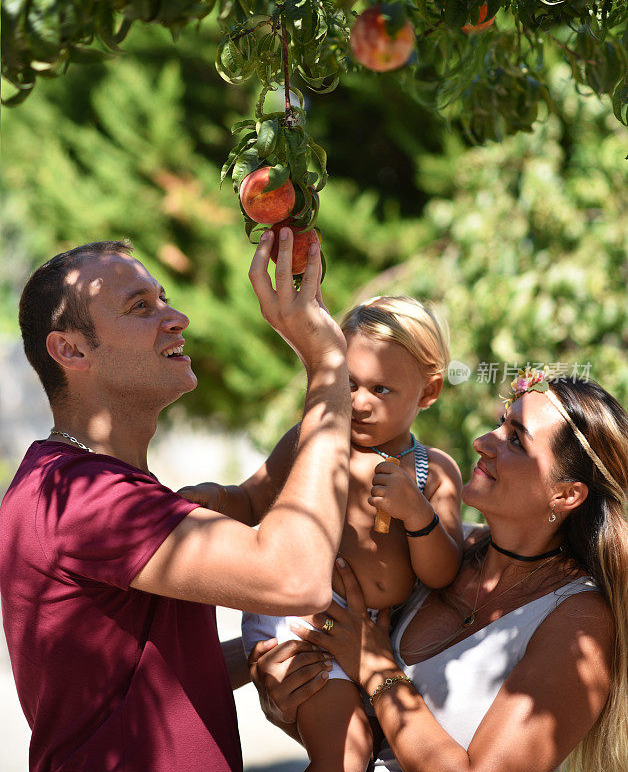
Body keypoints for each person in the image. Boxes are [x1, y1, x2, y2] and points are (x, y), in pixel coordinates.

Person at [0, 228, 350, 772]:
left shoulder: (86, 484)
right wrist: (327, 365)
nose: (176, 317)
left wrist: (261, 657)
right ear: (70, 349)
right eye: (141, 307)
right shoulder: (79, 497)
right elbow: (295, 578)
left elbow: (149, 674)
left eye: (164, 297)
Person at [252, 369, 628, 772]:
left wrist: (375, 667)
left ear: (566, 494)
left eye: (516, 440)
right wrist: (285, 693)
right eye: (502, 423)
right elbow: (364, 732)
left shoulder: (581, 624)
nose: (482, 441)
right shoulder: (442, 551)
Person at [182, 295, 464, 771]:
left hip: (374, 637)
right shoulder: (311, 440)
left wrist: (417, 514)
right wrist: (215, 499)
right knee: (346, 754)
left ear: (429, 391)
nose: (359, 402)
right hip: (303, 624)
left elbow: (441, 573)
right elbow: (253, 500)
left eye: (382, 389)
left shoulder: (431, 472)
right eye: (349, 384)